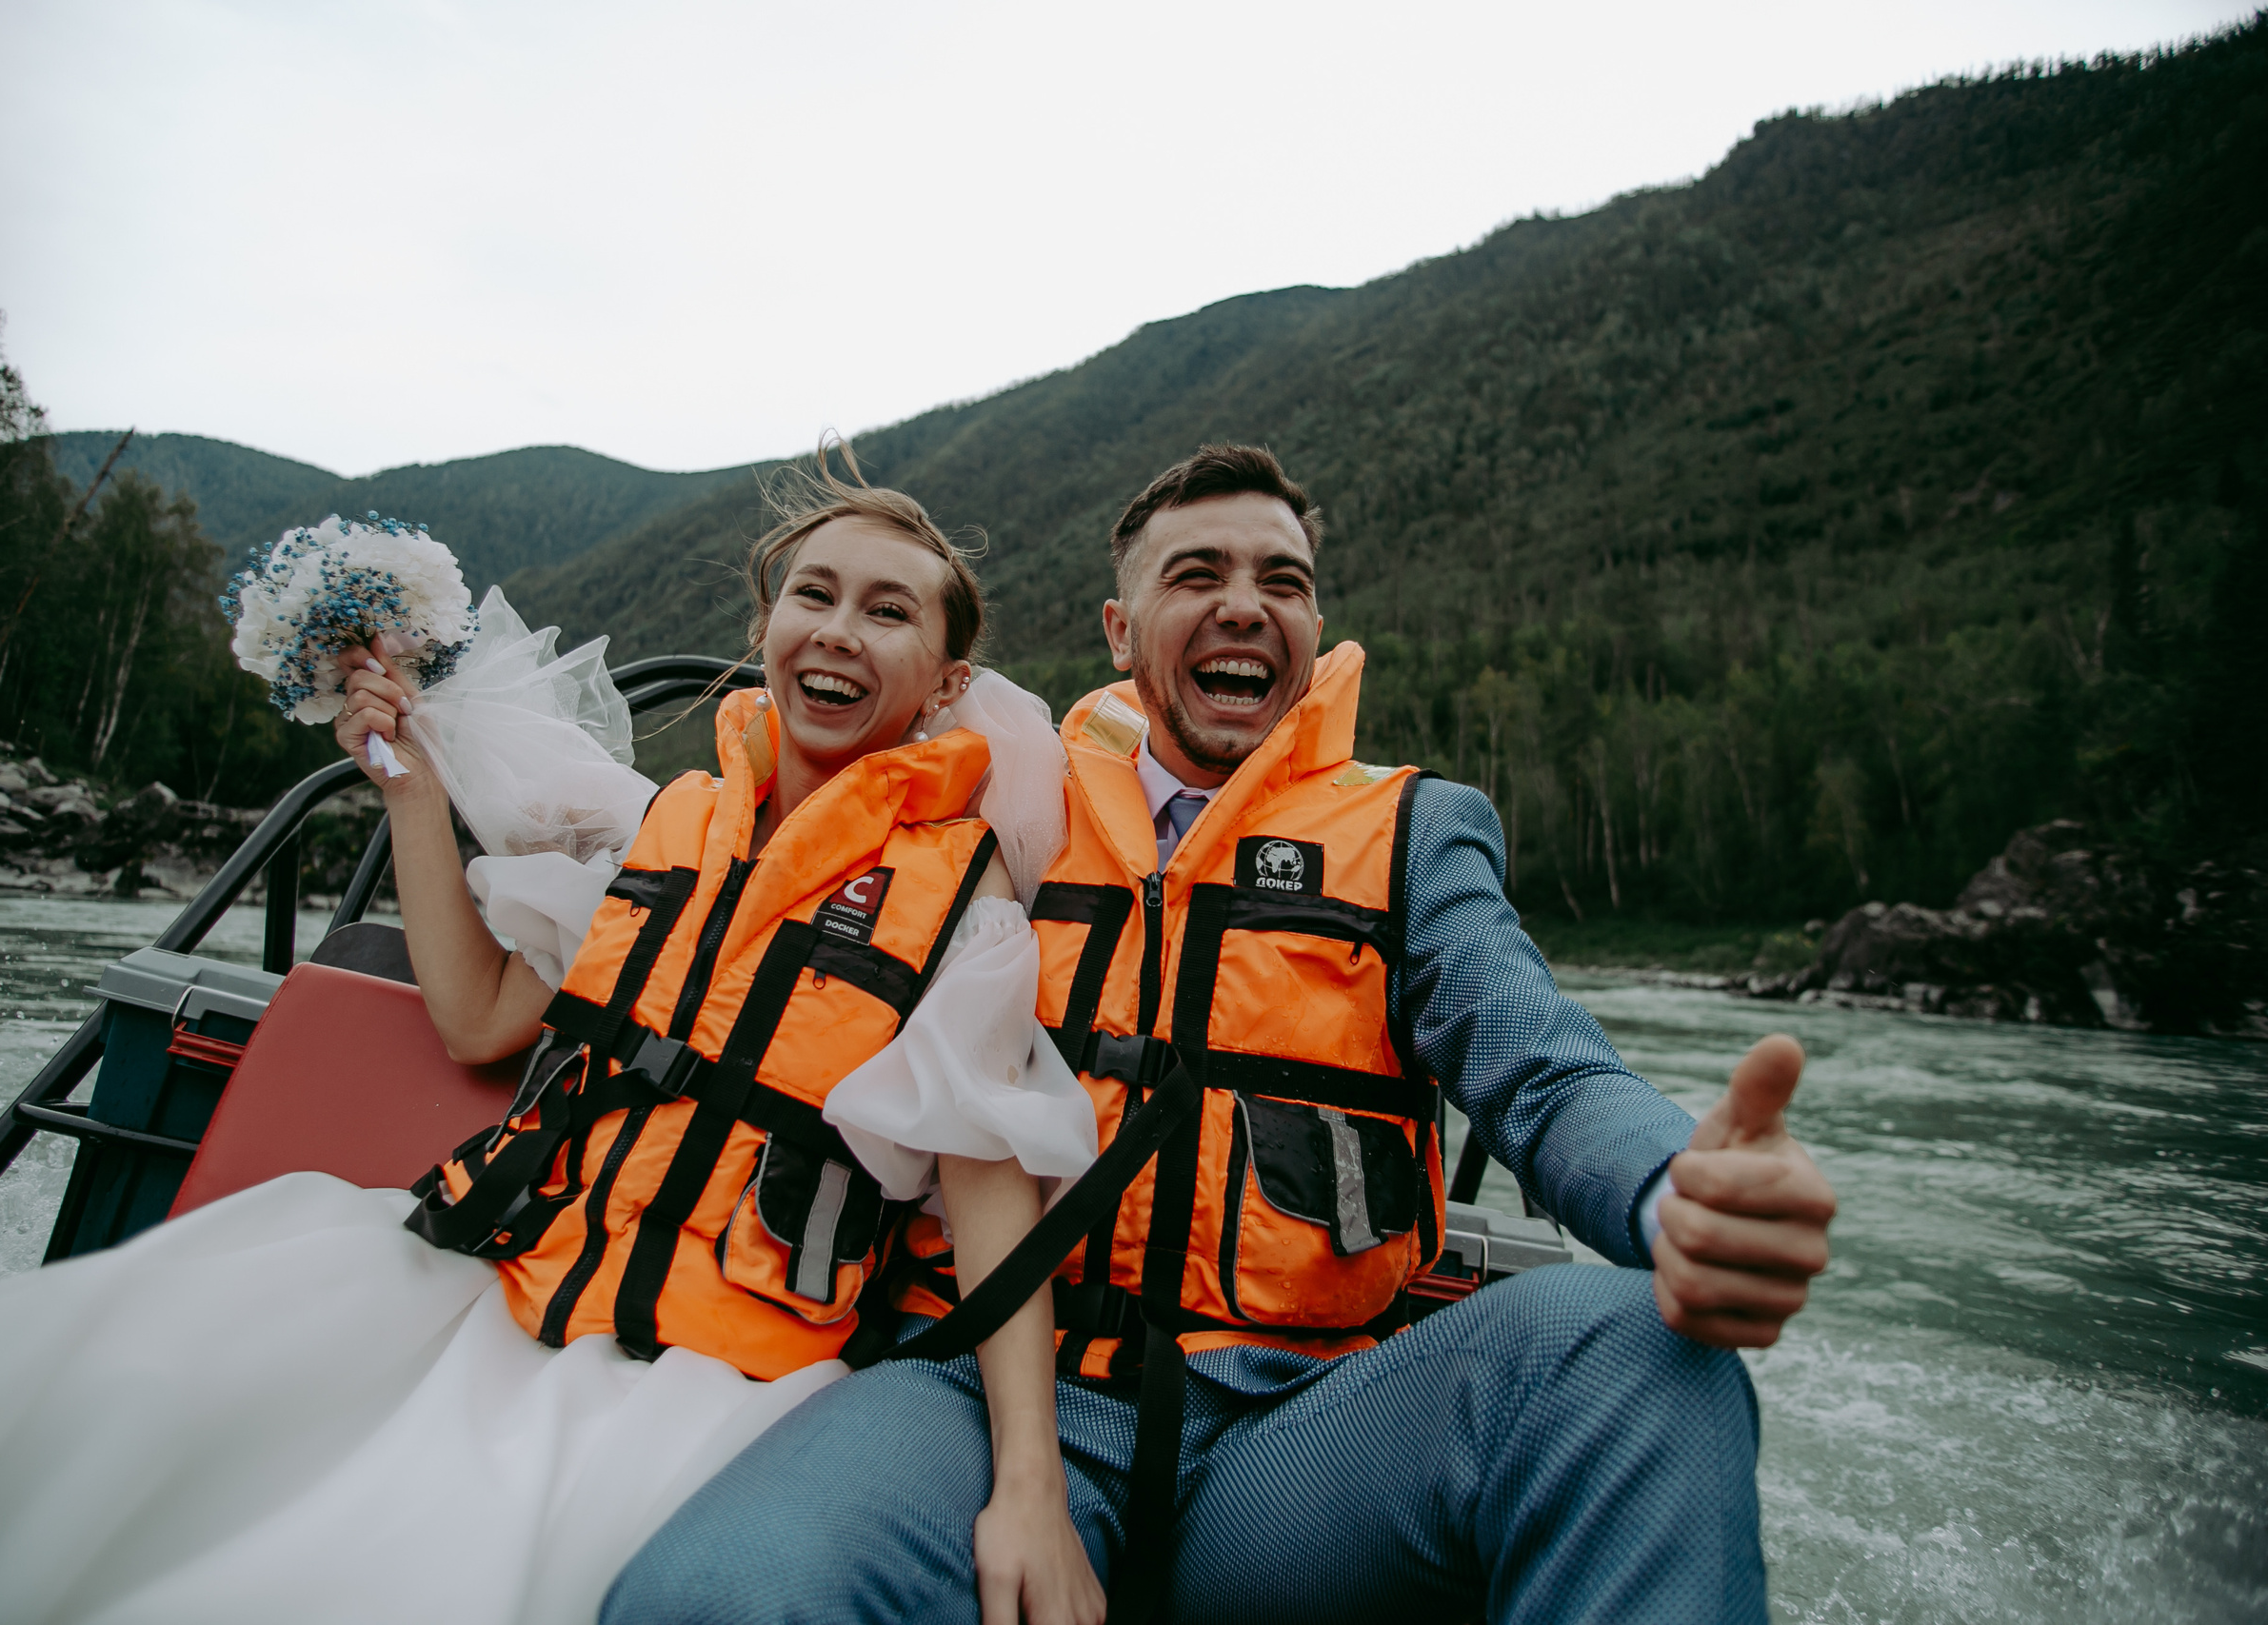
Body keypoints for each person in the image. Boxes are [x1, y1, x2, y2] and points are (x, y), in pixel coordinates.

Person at [0, 455, 1097, 1625]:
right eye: (811, 594)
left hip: (723, 1372)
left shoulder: (963, 904)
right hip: (493, 1286)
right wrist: (409, 790)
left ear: (940, 686)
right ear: (762, 634)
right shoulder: (661, 829)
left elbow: (992, 1186)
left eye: (888, 611)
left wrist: (1026, 1483)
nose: (836, 627)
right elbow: (482, 1014)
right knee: (135, 1385)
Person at [606, 445, 1839, 1624]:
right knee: (707, 1602)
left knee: (1642, 1350)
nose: (1244, 605)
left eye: (1282, 583)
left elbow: (1546, 1071)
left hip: (1292, 1430)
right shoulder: (988, 810)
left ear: (1311, 629)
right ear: (1120, 629)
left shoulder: (1414, 833)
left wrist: (1679, 1193)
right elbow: (764, 865)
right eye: (1197, 576)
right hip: (981, 1398)